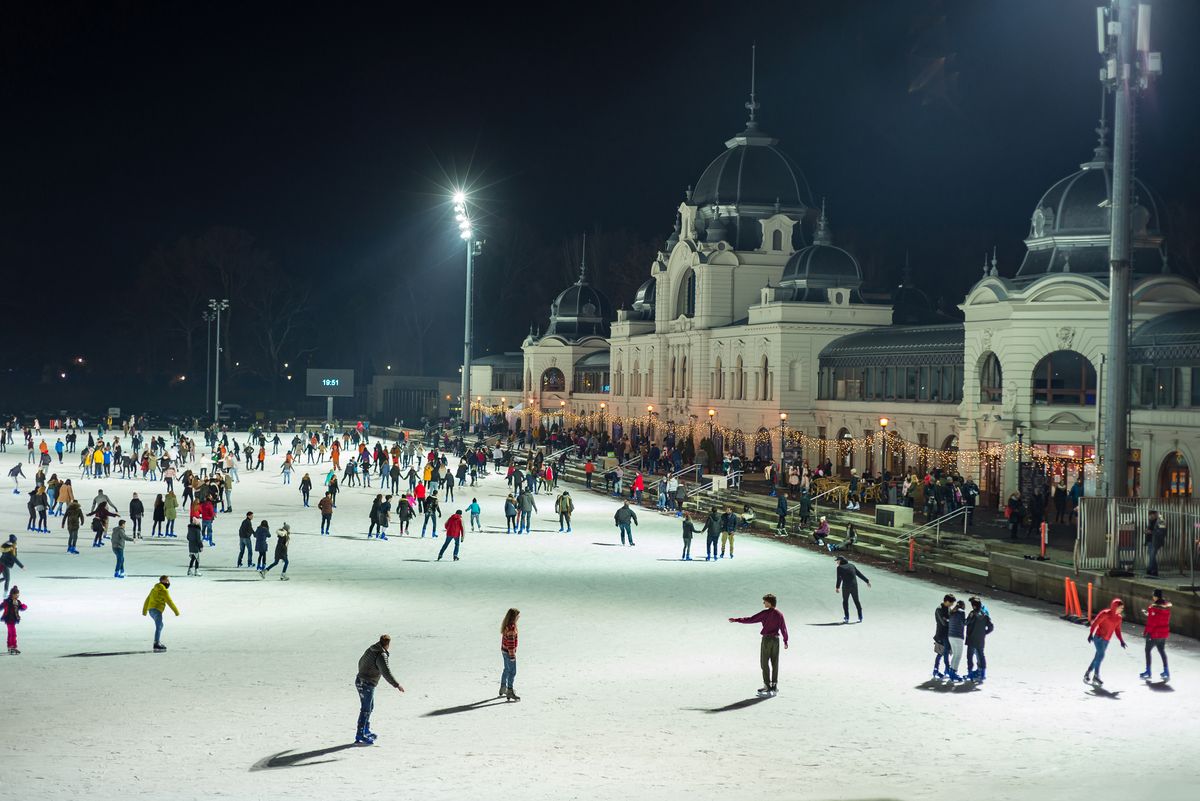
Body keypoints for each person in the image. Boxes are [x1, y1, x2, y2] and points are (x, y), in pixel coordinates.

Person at [729, 593, 789, 695]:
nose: (763, 603)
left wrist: (736, 620)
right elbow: (783, 628)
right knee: (775, 662)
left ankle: (766, 685)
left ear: (769, 603)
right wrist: (785, 641)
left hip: (766, 640)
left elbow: (751, 619)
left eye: (765, 601)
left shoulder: (765, 613)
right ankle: (774, 685)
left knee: (764, 662)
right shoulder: (780, 614)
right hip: (776, 640)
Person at [355, 635, 404, 745]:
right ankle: (360, 734)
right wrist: (396, 685)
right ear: (388, 644)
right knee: (366, 709)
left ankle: (366, 730)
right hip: (366, 683)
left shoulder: (371, 649)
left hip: (360, 680)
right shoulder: (381, 654)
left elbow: (360, 661)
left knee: (369, 707)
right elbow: (386, 672)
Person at [1085, 597, 1127, 686]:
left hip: (1106, 640)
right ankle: (1096, 676)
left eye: (1122, 608)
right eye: (1121, 608)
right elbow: (1095, 622)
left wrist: (1121, 641)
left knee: (1097, 657)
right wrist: (1091, 634)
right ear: (1115, 607)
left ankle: (1087, 673)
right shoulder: (1105, 614)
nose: (1122, 610)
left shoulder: (1119, 618)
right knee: (1101, 655)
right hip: (1098, 638)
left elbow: (1117, 630)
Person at [142, 575, 179, 651]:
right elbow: (169, 601)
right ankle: (156, 643)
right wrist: (176, 612)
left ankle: (157, 642)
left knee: (161, 625)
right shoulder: (164, 591)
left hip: (151, 610)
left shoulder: (153, 589)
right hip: (157, 610)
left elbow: (147, 599)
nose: (169, 582)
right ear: (164, 581)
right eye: (167, 581)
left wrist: (145, 611)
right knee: (159, 626)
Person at [1140, 589, 1171, 681]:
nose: (1152, 597)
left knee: (1147, 650)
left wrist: (1146, 632)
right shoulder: (1166, 607)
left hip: (1154, 634)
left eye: (1153, 595)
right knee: (1162, 651)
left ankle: (1148, 671)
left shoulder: (1153, 608)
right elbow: (1158, 618)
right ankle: (1166, 671)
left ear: (1156, 597)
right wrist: (1148, 614)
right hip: (1163, 633)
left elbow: (1151, 623)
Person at [965, 596, 994, 682]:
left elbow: (966, 622)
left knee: (970, 657)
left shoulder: (972, 614)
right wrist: (984, 633)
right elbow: (991, 627)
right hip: (980, 639)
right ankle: (982, 673)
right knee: (981, 655)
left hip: (971, 639)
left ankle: (970, 673)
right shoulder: (985, 615)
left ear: (974, 606)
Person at [834, 556, 870, 623]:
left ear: (841, 561)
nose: (837, 562)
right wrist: (867, 581)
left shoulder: (839, 568)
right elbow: (859, 574)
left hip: (846, 587)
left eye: (838, 560)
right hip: (854, 586)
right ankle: (860, 617)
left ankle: (847, 618)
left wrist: (837, 587)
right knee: (856, 601)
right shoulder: (852, 565)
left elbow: (839, 578)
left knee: (845, 601)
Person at [500, 608, 520, 701]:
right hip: (509, 652)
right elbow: (511, 644)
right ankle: (510, 690)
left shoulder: (506, 626)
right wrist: (512, 656)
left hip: (504, 651)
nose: (519, 617)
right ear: (514, 617)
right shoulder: (511, 628)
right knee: (512, 671)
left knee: (506, 669)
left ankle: (503, 687)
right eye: (517, 616)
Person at [932, 594, 954, 680]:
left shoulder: (948, 608)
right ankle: (937, 670)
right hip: (941, 634)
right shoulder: (939, 610)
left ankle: (945, 670)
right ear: (947, 601)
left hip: (948, 634)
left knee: (946, 653)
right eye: (951, 603)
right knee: (941, 653)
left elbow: (948, 620)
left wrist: (948, 620)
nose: (952, 605)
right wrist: (949, 621)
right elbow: (943, 623)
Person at [945, 599, 968, 682]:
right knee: (958, 656)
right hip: (958, 637)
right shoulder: (961, 612)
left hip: (950, 636)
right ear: (962, 606)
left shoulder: (952, 612)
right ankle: (953, 673)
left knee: (955, 655)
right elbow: (964, 623)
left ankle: (952, 672)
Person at [2, 586, 27, 655]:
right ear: (12, 594)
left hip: (13, 619)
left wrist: (23, 606)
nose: (17, 595)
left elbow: (21, 607)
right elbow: (1, 606)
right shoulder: (7, 601)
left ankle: (10, 647)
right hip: (9, 619)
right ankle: (12, 646)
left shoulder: (17, 601)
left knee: (10, 633)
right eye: (16, 594)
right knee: (13, 633)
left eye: (18, 594)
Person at [1145, 510, 1166, 577]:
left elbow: (1162, 532)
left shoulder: (1161, 521)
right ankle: (1152, 571)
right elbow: (1150, 529)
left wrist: (1151, 532)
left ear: (1156, 514)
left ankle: (1151, 571)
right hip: (1150, 541)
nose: (1150, 517)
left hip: (1156, 542)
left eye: (1152, 515)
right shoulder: (1151, 520)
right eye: (1150, 515)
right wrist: (1146, 531)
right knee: (1151, 556)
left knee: (1152, 556)